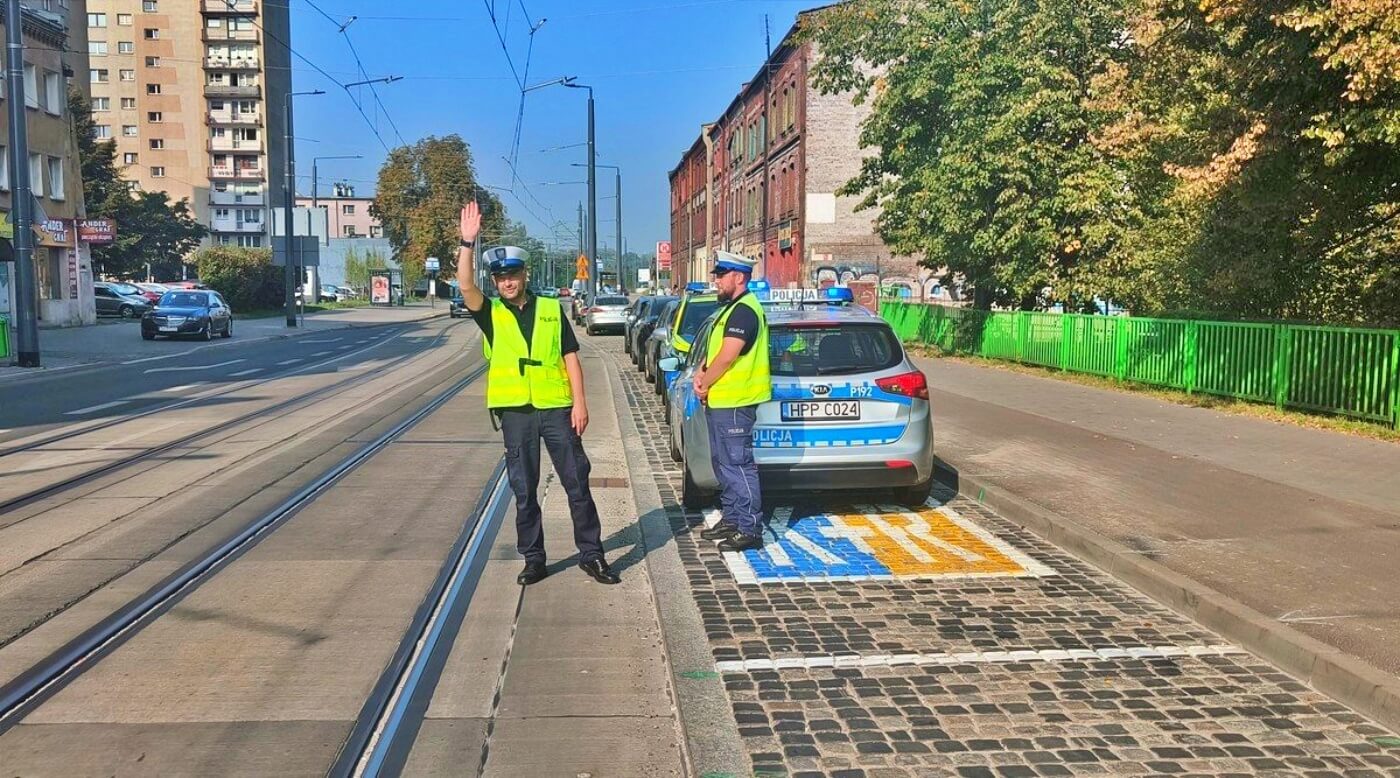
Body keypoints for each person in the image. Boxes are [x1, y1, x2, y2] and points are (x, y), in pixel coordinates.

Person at [456, 201, 620, 586]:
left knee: (577, 484)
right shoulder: (490, 312)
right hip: (516, 413)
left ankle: (591, 555)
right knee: (524, 490)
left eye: (513, 275)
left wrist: (580, 402)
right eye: (500, 278)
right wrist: (467, 243)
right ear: (495, 282)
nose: (507, 282)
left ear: (524, 274)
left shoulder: (550, 309)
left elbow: (570, 356)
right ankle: (534, 559)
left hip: (556, 408)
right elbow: (465, 285)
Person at [694, 251, 771, 552]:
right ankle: (733, 518)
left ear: (739, 277)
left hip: (736, 402)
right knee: (724, 464)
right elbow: (716, 353)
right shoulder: (732, 309)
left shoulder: (744, 311)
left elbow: (728, 356)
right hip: (723, 400)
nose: (715, 280)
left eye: (721, 274)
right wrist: (702, 372)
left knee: (738, 465)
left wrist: (705, 382)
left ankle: (750, 528)